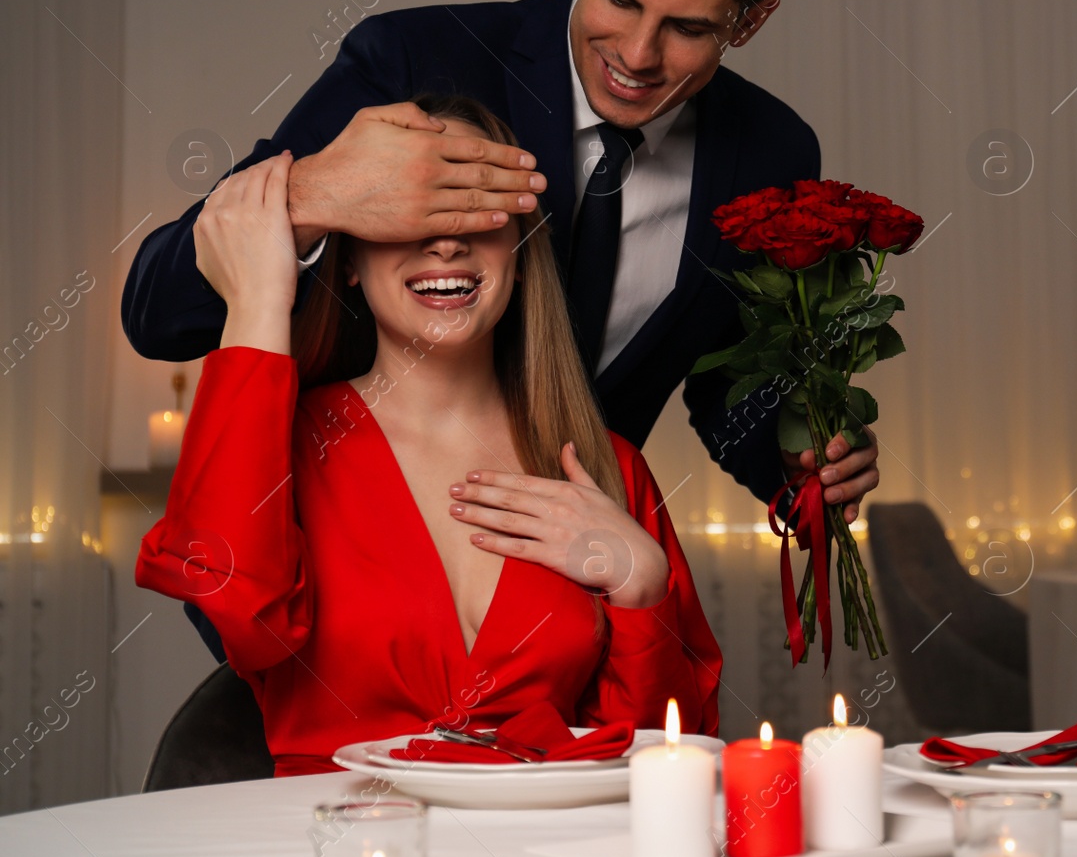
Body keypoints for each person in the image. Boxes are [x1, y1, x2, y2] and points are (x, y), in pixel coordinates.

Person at [120, 0, 881, 526]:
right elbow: (158, 311)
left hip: (565, 610)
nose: (639, 54)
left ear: (750, 21)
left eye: (689, 28)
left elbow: (726, 385)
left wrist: (797, 462)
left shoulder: (770, 153)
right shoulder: (413, 60)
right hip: (333, 591)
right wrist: (315, 192)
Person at [136, 96, 721, 777]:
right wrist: (260, 299)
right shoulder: (282, 445)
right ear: (349, 259)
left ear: (523, 250)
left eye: (476, 211)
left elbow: (671, 768)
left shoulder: (604, 465)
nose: (446, 241)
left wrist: (642, 587)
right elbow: (239, 613)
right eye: (411, 214)